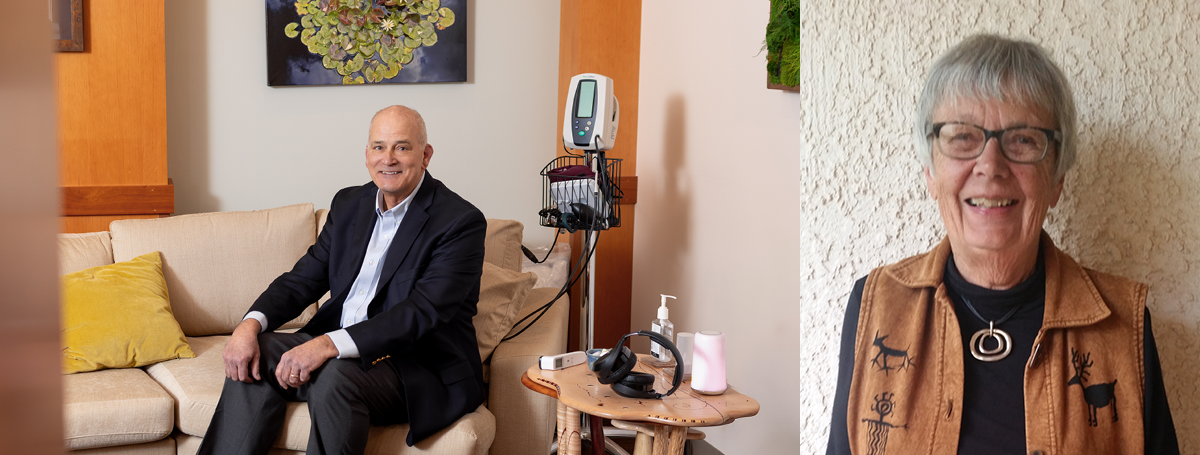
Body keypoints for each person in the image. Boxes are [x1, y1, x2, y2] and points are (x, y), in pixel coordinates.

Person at [826, 35, 1179, 454]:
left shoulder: (1122, 326)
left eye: (1023, 140)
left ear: (1058, 179)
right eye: (962, 138)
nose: (991, 166)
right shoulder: (876, 304)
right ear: (930, 173)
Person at [198, 105, 488, 455]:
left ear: (425, 155)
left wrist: (325, 345)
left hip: (416, 367)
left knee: (336, 378)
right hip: (344, 356)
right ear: (366, 154)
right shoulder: (350, 203)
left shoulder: (460, 222)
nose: (388, 158)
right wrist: (248, 326)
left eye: (402, 146)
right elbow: (302, 279)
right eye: (379, 147)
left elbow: (420, 313)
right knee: (258, 350)